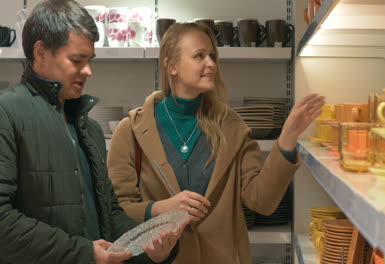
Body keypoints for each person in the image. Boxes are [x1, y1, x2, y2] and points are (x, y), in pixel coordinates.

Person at [107, 22, 325, 264]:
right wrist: (159, 209)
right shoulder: (131, 131)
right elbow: (118, 208)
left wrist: (286, 139)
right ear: (172, 66)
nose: (211, 64)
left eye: (212, 56)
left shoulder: (232, 127)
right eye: (199, 56)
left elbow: (261, 201)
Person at [0, 1, 187, 263]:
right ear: (40, 52)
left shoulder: (90, 128)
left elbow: (108, 213)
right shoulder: (6, 113)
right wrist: (84, 253)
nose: (88, 71)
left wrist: (150, 248)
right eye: (77, 60)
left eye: (89, 60)